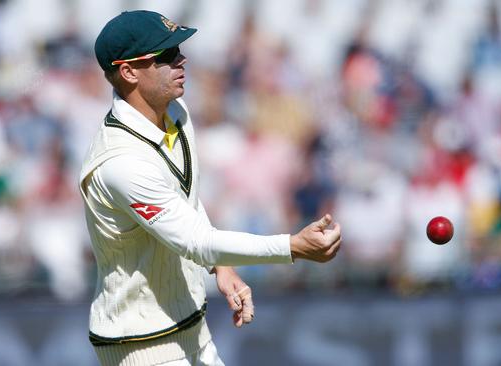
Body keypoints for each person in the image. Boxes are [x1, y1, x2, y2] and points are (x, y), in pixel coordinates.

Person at [80, 10, 342, 366]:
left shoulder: (176, 112)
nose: (181, 60)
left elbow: (182, 199)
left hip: (190, 329)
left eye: (178, 50)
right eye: (166, 56)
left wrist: (221, 267)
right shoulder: (120, 164)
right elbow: (196, 241)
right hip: (141, 346)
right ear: (128, 72)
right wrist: (292, 246)